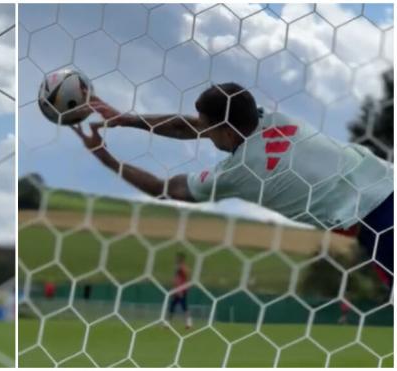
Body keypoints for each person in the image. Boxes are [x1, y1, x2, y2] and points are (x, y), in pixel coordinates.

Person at [72, 83, 393, 289]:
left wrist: (106, 158)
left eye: (209, 130)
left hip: (380, 224)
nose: (205, 135)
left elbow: (163, 188)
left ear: (226, 131)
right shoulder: (277, 118)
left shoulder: (238, 171)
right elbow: (188, 126)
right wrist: (126, 119)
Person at [167, 253, 192, 329]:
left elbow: (184, 277)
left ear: (180, 259)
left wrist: (181, 290)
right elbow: (176, 279)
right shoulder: (179, 268)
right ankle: (167, 324)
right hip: (177, 290)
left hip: (181, 290)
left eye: (177, 258)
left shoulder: (182, 268)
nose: (175, 259)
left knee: (183, 307)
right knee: (172, 307)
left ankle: (189, 323)